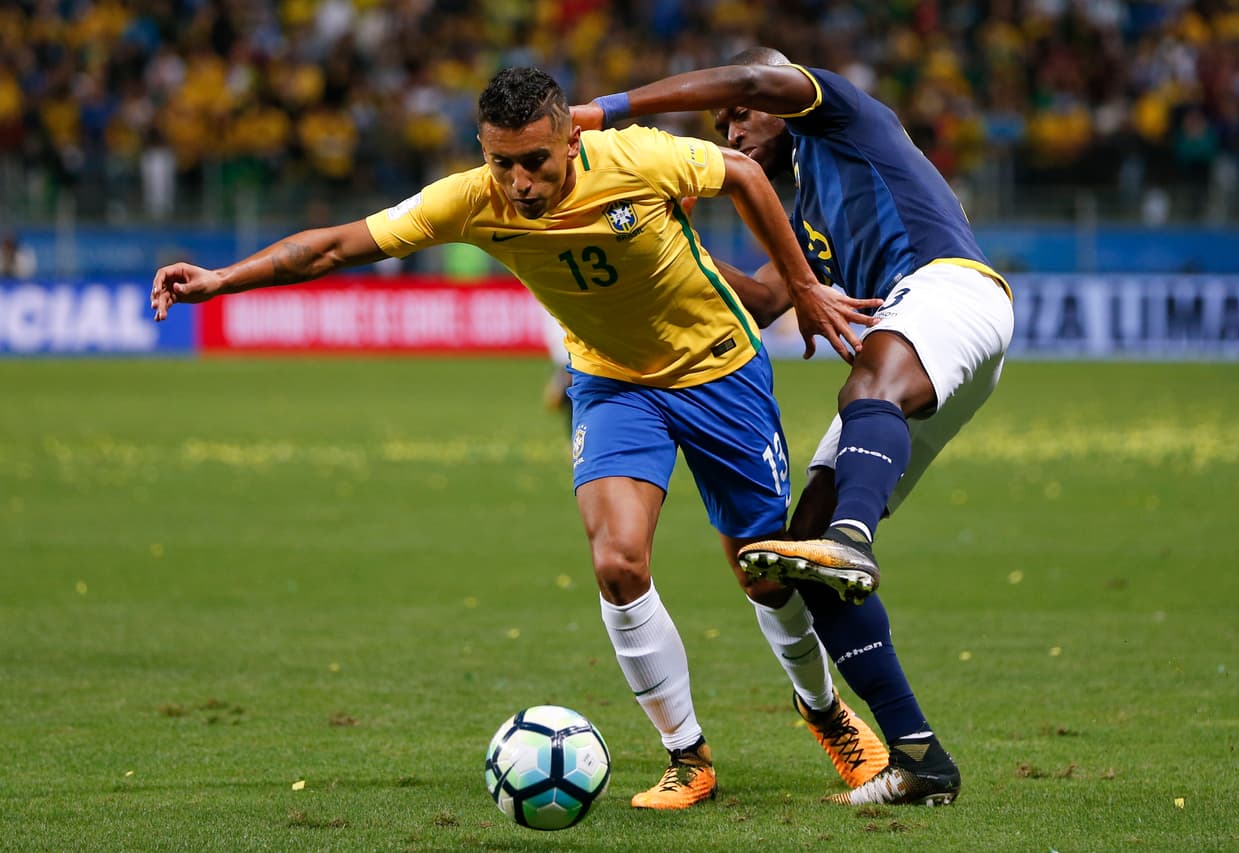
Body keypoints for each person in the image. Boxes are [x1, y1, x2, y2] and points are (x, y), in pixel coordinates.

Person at [151, 67, 888, 810]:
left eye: (535, 160)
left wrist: (801, 286)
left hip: (720, 372)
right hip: (613, 385)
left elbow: (741, 175)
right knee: (618, 563)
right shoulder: (472, 200)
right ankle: (686, 755)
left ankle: (824, 710)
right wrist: (221, 280)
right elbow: (336, 248)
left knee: (763, 572)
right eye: (501, 162)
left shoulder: (635, 158)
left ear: (571, 138)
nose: (519, 181)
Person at [576, 47, 1016, 806]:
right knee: (793, 553)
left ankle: (853, 538)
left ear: (780, 100)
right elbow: (764, 301)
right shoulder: (807, 216)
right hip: (928, 357)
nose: (730, 131)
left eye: (738, 117)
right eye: (721, 125)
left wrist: (611, 110)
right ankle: (919, 755)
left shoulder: (842, 116)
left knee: (864, 388)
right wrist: (664, 247)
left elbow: (751, 76)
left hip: (954, 292)